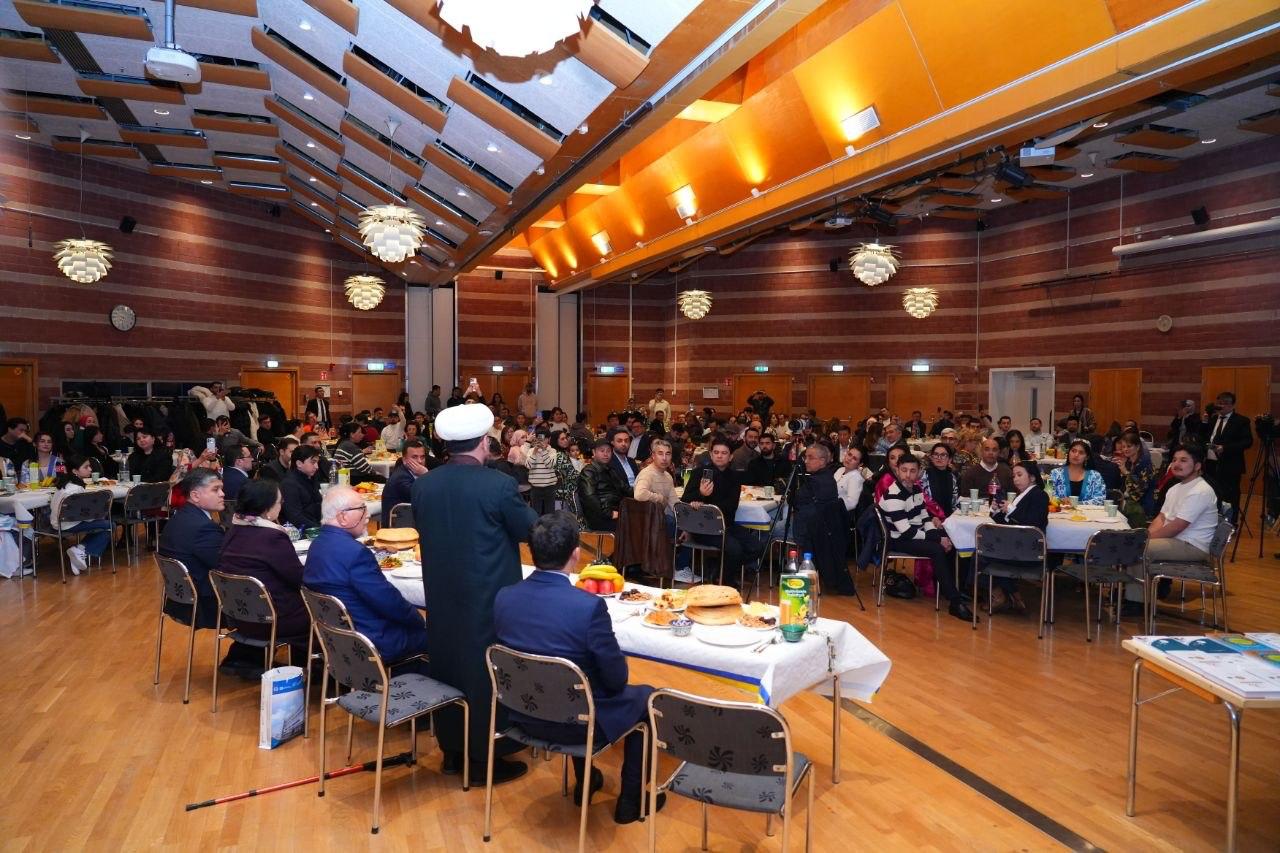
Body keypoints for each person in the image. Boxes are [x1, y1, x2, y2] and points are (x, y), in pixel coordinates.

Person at [493, 511, 664, 823]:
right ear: (575, 555)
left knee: (574, 688)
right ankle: (631, 800)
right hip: (576, 724)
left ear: (532, 551)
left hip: (522, 715)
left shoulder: (504, 597)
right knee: (649, 699)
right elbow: (617, 679)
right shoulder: (588, 607)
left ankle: (587, 780)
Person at [411, 402, 537, 784]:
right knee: (486, 673)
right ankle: (484, 760)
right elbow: (528, 529)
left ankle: (452, 750)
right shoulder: (497, 484)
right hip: (487, 598)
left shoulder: (424, 484)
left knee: (448, 668)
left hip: (441, 596)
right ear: (485, 442)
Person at [303, 485, 427, 664]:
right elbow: (387, 601)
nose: (367, 515)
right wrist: (419, 619)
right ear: (342, 516)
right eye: (361, 508)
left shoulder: (317, 546)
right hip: (373, 642)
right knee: (444, 632)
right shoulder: (355, 553)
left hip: (338, 640)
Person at [159, 469, 260, 675]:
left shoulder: (181, 519)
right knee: (272, 595)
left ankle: (244, 657)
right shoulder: (201, 527)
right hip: (206, 604)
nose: (223, 494)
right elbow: (230, 566)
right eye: (216, 489)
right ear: (195, 495)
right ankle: (247, 660)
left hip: (180, 599)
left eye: (221, 489)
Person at [217, 479, 310, 660]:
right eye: (280, 502)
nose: (281, 506)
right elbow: (299, 579)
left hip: (238, 616)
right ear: (267, 508)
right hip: (273, 619)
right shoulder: (272, 536)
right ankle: (315, 666)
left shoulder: (232, 531)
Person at [876, 456, 972, 620]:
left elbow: (925, 518)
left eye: (912, 471)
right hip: (898, 540)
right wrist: (937, 539)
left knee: (952, 539)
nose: (908, 475)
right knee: (936, 549)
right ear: (897, 471)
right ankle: (955, 601)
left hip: (913, 534)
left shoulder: (916, 489)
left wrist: (937, 536)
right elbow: (906, 532)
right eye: (904, 470)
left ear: (919, 472)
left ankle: (950, 589)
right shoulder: (893, 495)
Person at [679, 436, 763, 586]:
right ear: (711, 455)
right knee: (735, 549)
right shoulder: (699, 473)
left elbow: (731, 506)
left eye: (724, 453)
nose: (719, 456)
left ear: (730, 457)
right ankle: (726, 582)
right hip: (703, 527)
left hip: (726, 524)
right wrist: (701, 494)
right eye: (716, 452)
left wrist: (706, 504)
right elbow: (685, 500)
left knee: (756, 547)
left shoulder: (734, 476)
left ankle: (718, 569)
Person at [986, 460, 1050, 614]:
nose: (1015, 479)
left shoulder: (1040, 495)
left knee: (981, 556)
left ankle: (1003, 596)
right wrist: (996, 511)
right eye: (1014, 476)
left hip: (1029, 549)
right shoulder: (1021, 496)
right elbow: (1009, 524)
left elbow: (1032, 523)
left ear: (1032, 477)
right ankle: (1011, 595)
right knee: (982, 553)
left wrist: (1011, 509)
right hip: (1016, 545)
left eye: (1020, 475)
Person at [792, 443, 856, 595]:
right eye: (805, 457)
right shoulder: (828, 478)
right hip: (821, 530)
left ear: (822, 461)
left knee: (772, 527)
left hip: (811, 531)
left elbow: (794, 500)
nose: (806, 461)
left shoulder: (816, 481)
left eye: (810, 458)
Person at [1148, 445, 1221, 562]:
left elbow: (1177, 526)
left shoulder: (1200, 490)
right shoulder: (1174, 488)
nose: (1176, 464)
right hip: (1174, 539)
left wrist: (1147, 539)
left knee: (1138, 549)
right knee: (1134, 546)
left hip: (1192, 545)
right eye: (1174, 460)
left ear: (1197, 466)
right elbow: (1161, 518)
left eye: (1183, 460)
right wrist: (1146, 536)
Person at [49, 455, 112, 576]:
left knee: (103, 525)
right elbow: (83, 514)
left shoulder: (65, 484)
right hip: (69, 523)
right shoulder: (77, 488)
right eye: (86, 467)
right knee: (109, 525)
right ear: (75, 471)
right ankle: (79, 549)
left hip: (57, 522)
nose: (90, 469)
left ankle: (78, 554)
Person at [1203, 391, 1252, 515]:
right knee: (1211, 492)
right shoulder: (1213, 419)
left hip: (1230, 464)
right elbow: (1205, 436)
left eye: (1225, 403)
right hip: (1210, 463)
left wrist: (1225, 448)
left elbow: (1247, 442)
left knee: (1230, 494)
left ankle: (1231, 520)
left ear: (1233, 405)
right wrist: (1204, 423)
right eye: (1219, 403)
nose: (1221, 406)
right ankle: (1212, 517)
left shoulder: (1241, 420)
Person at [578, 438, 631, 531]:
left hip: (616, 509)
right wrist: (609, 514)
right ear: (594, 452)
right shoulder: (588, 471)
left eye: (608, 451)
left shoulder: (610, 470)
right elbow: (590, 498)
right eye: (602, 451)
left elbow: (624, 488)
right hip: (600, 517)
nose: (606, 454)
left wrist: (640, 493)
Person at [381, 438, 429, 518]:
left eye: (422, 457)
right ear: (404, 460)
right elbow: (423, 497)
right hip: (400, 523)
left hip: (410, 518)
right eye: (414, 457)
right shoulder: (401, 477)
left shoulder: (413, 473)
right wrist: (426, 475)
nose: (420, 461)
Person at [1048, 439, 1105, 504]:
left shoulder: (1095, 476)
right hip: (1061, 510)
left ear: (1087, 457)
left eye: (1081, 453)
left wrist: (1077, 504)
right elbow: (1049, 496)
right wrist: (1061, 500)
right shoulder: (1055, 473)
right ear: (1068, 453)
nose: (1076, 455)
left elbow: (1100, 499)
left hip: (1088, 510)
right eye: (1073, 451)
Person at [280, 444, 323, 530]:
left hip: (317, 523)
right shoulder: (289, 484)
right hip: (301, 531)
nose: (317, 466)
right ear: (299, 463)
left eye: (317, 462)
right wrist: (319, 529)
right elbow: (295, 517)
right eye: (313, 462)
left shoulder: (310, 477)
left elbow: (318, 502)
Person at [634, 438, 679, 515]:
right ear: (653, 456)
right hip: (647, 518)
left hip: (661, 516)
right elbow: (639, 494)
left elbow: (674, 503)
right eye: (660, 454)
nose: (664, 458)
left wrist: (689, 508)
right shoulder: (647, 473)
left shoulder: (668, 476)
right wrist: (660, 498)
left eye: (668, 454)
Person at [332, 422, 385, 486]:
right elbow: (364, 468)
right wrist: (377, 473)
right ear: (352, 434)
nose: (362, 435)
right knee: (382, 479)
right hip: (352, 478)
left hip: (343, 477)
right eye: (359, 432)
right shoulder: (351, 447)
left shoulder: (344, 443)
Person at [524, 429, 558, 515]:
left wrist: (543, 451)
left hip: (550, 486)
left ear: (549, 439)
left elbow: (550, 465)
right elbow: (528, 466)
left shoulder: (553, 451)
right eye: (540, 438)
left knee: (550, 513)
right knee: (535, 512)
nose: (542, 440)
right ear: (536, 439)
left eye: (545, 438)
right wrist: (535, 452)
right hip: (535, 487)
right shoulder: (531, 451)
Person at [921, 443, 959, 517]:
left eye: (943, 455)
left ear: (950, 459)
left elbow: (954, 503)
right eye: (936, 454)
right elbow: (922, 502)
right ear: (932, 457)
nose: (939, 458)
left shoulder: (952, 477)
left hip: (949, 517)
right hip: (929, 517)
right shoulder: (924, 476)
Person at [834, 446, 870, 517]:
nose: (849, 459)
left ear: (860, 464)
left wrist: (831, 506)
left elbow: (851, 503)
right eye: (849, 454)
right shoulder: (840, 470)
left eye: (854, 458)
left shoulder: (856, 478)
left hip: (840, 514)